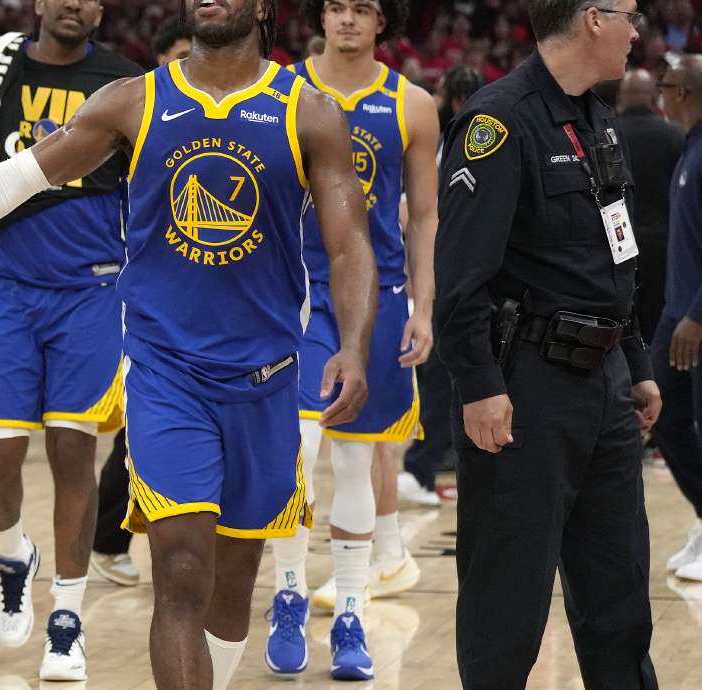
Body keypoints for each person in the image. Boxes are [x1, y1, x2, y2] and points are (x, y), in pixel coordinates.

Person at [0, 1, 380, 687]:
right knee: (182, 571)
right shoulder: (135, 101)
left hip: (268, 377)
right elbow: (11, 181)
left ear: (262, 7)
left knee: (231, 587)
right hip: (168, 377)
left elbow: (348, 246)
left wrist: (354, 345)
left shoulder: (307, 111)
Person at [434, 1, 660, 688]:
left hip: (607, 389)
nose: (637, 30)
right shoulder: (499, 123)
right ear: (593, 19)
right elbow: (460, 279)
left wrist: (639, 363)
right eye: (629, 15)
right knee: (507, 605)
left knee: (619, 603)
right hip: (525, 388)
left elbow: (616, 259)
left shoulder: (598, 120)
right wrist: (479, 387)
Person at [0, 0, 141, 680]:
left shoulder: (126, 84)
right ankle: (9, 552)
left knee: (73, 453)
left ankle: (67, 621)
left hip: (90, 293)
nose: (75, 3)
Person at [271, 0, 438, 680]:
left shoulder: (413, 104)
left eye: (360, 8)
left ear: (381, 22)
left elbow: (424, 216)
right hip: (298, 295)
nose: (345, 19)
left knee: (354, 459)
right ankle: (285, 595)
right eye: (335, 6)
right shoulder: (282, 90)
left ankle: (348, 610)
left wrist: (423, 304)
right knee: (299, 445)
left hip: (378, 298)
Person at [89, 14, 193, 591]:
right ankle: (110, 537)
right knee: (135, 430)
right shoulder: (133, 121)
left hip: (203, 298)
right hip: (135, 295)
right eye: (176, 58)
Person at [400, 64, 484, 507]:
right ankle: (422, 465)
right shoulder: (467, 142)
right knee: (444, 378)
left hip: (446, 279)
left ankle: (426, 463)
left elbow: (408, 215)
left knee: (443, 379)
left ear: (451, 99)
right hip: (460, 279)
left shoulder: (447, 147)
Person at [650, 55, 702, 581]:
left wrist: (697, 315)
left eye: (665, 86)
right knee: (661, 413)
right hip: (676, 311)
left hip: (696, 317)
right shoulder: (689, 146)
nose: (659, 95)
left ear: (682, 92)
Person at [617, 68, 685, 345]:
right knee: (657, 325)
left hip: (618, 243)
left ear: (622, 97)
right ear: (654, 96)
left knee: (622, 323)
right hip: (662, 243)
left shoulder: (605, 133)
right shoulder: (676, 136)